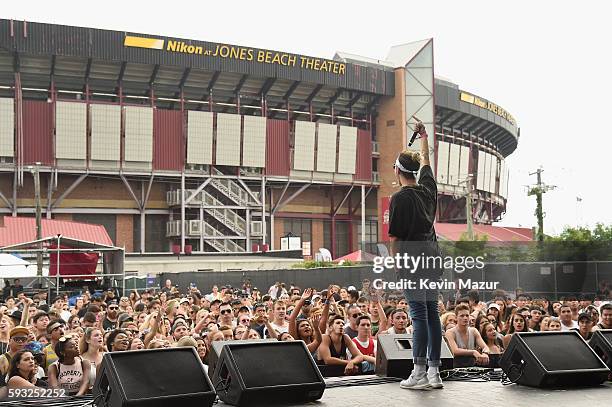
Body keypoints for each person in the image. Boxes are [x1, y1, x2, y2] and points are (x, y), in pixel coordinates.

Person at [388, 121, 443, 390]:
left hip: (412, 263)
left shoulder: (399, 198)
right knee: (432, 314)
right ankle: (434, 373)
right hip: (433, 261)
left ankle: (418, 372)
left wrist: (397, 265)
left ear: (397, 171)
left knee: (418, 315)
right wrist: (423, 137)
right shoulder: (429, 190)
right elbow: (426, 161)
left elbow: (395, 238)